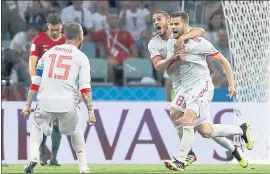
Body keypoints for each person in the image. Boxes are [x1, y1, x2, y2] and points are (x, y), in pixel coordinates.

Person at [163, 11, 253, 171]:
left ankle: (182, 160)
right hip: (186, 87)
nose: (173, 27)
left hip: (202, 86)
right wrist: (176, 57)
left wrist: (231, 84)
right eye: (172, 24)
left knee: (188, 116)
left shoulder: (199, 42)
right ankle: (241, 130)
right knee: (204, 130)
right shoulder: (171, 42)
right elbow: (169, 70)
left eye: (177, 24)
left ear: (185, 25)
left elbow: (223, 61)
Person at [22, 22, 95, 174]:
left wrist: (28, 105)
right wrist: (91, 112)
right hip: (68, 104)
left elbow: (36, 81)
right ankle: (83, 167)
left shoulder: (48, 53)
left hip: (45, 102)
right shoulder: (81, 57)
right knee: (75, 131)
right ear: (81, 37)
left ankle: (34, 157)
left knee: (36, 126)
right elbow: (85, 87)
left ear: (64, 36)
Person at [148, 10, 205, 166]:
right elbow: (158, 66)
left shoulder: (180, 31)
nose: (156, 22)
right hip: (178, 83)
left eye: (158, 19)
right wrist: (172, 57)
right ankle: (238, 135)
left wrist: (184, 38)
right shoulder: (153, 43)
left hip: (194, 81)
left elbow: (201, 31)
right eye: (153, 20)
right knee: (205, 129)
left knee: (175, 114)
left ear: (168, 21)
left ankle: (186, 155)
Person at [28, 13, 66, 166]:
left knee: (57, 122)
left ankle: (54, 158)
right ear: (47, 27)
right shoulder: (38, 40)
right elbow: (32, 61)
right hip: (44, 85)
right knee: (44, 121)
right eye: (52, 29)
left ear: (61, 27)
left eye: (57, 29)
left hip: (62, 86)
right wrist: (34, 81)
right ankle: (43, 155)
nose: (55, 32)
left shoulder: (66, 40)